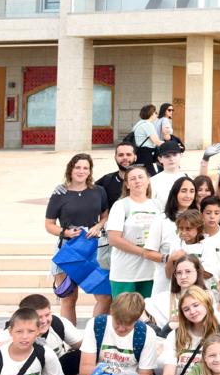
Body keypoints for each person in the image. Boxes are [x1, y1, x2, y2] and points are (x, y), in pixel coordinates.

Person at [46, 153, 110, 323]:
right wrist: (66, 232)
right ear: (71, 169)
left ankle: (93, 336)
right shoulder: (60, 193)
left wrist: (98, 226)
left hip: (92, 250)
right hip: (68, 249)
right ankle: (69, 340)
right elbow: (49, 224)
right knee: (68, 298)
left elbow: (105, 215)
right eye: (77, 167)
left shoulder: (98, 191)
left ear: (90, 171)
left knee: (104, 296)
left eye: (85, 168)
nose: (81, 171)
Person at [104, 166, 166, 298]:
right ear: (127, 184)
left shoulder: (158, 205)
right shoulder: (120, 205)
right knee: (125, 315)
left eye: (141, 177)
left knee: (149, 313)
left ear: (148, 180)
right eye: (132, 179)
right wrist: (144, 252)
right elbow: (114, 239)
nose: (137, 181)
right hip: (125, 272)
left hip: (151, 272)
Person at [131, 104, 163, 168]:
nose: (157, 114)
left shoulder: (139, 123)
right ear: (151, 114)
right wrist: (171, 144)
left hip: (139, 151)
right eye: (155, 112)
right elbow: (156, 141)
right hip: (146, 153)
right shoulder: (148, 125)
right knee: (150, 174)